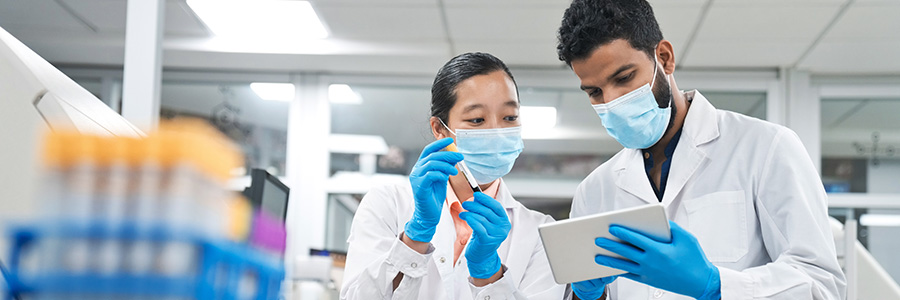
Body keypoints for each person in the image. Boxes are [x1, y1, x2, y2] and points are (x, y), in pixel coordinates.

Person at [554, 1, 846, 299]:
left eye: (624, 78)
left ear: (664, 58)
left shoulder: (766, 148)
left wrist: (715, 284)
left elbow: (821, 285)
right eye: (594, 92)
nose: (611, 101)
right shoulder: (594, 190)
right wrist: (588, 296)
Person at [340, 52, 566, 299]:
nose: (497, 131)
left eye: (509, 117)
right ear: (440, 129)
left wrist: (489, 272)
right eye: (477, 119)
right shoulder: (388, 204)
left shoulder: (539, 232)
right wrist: (416, 234)